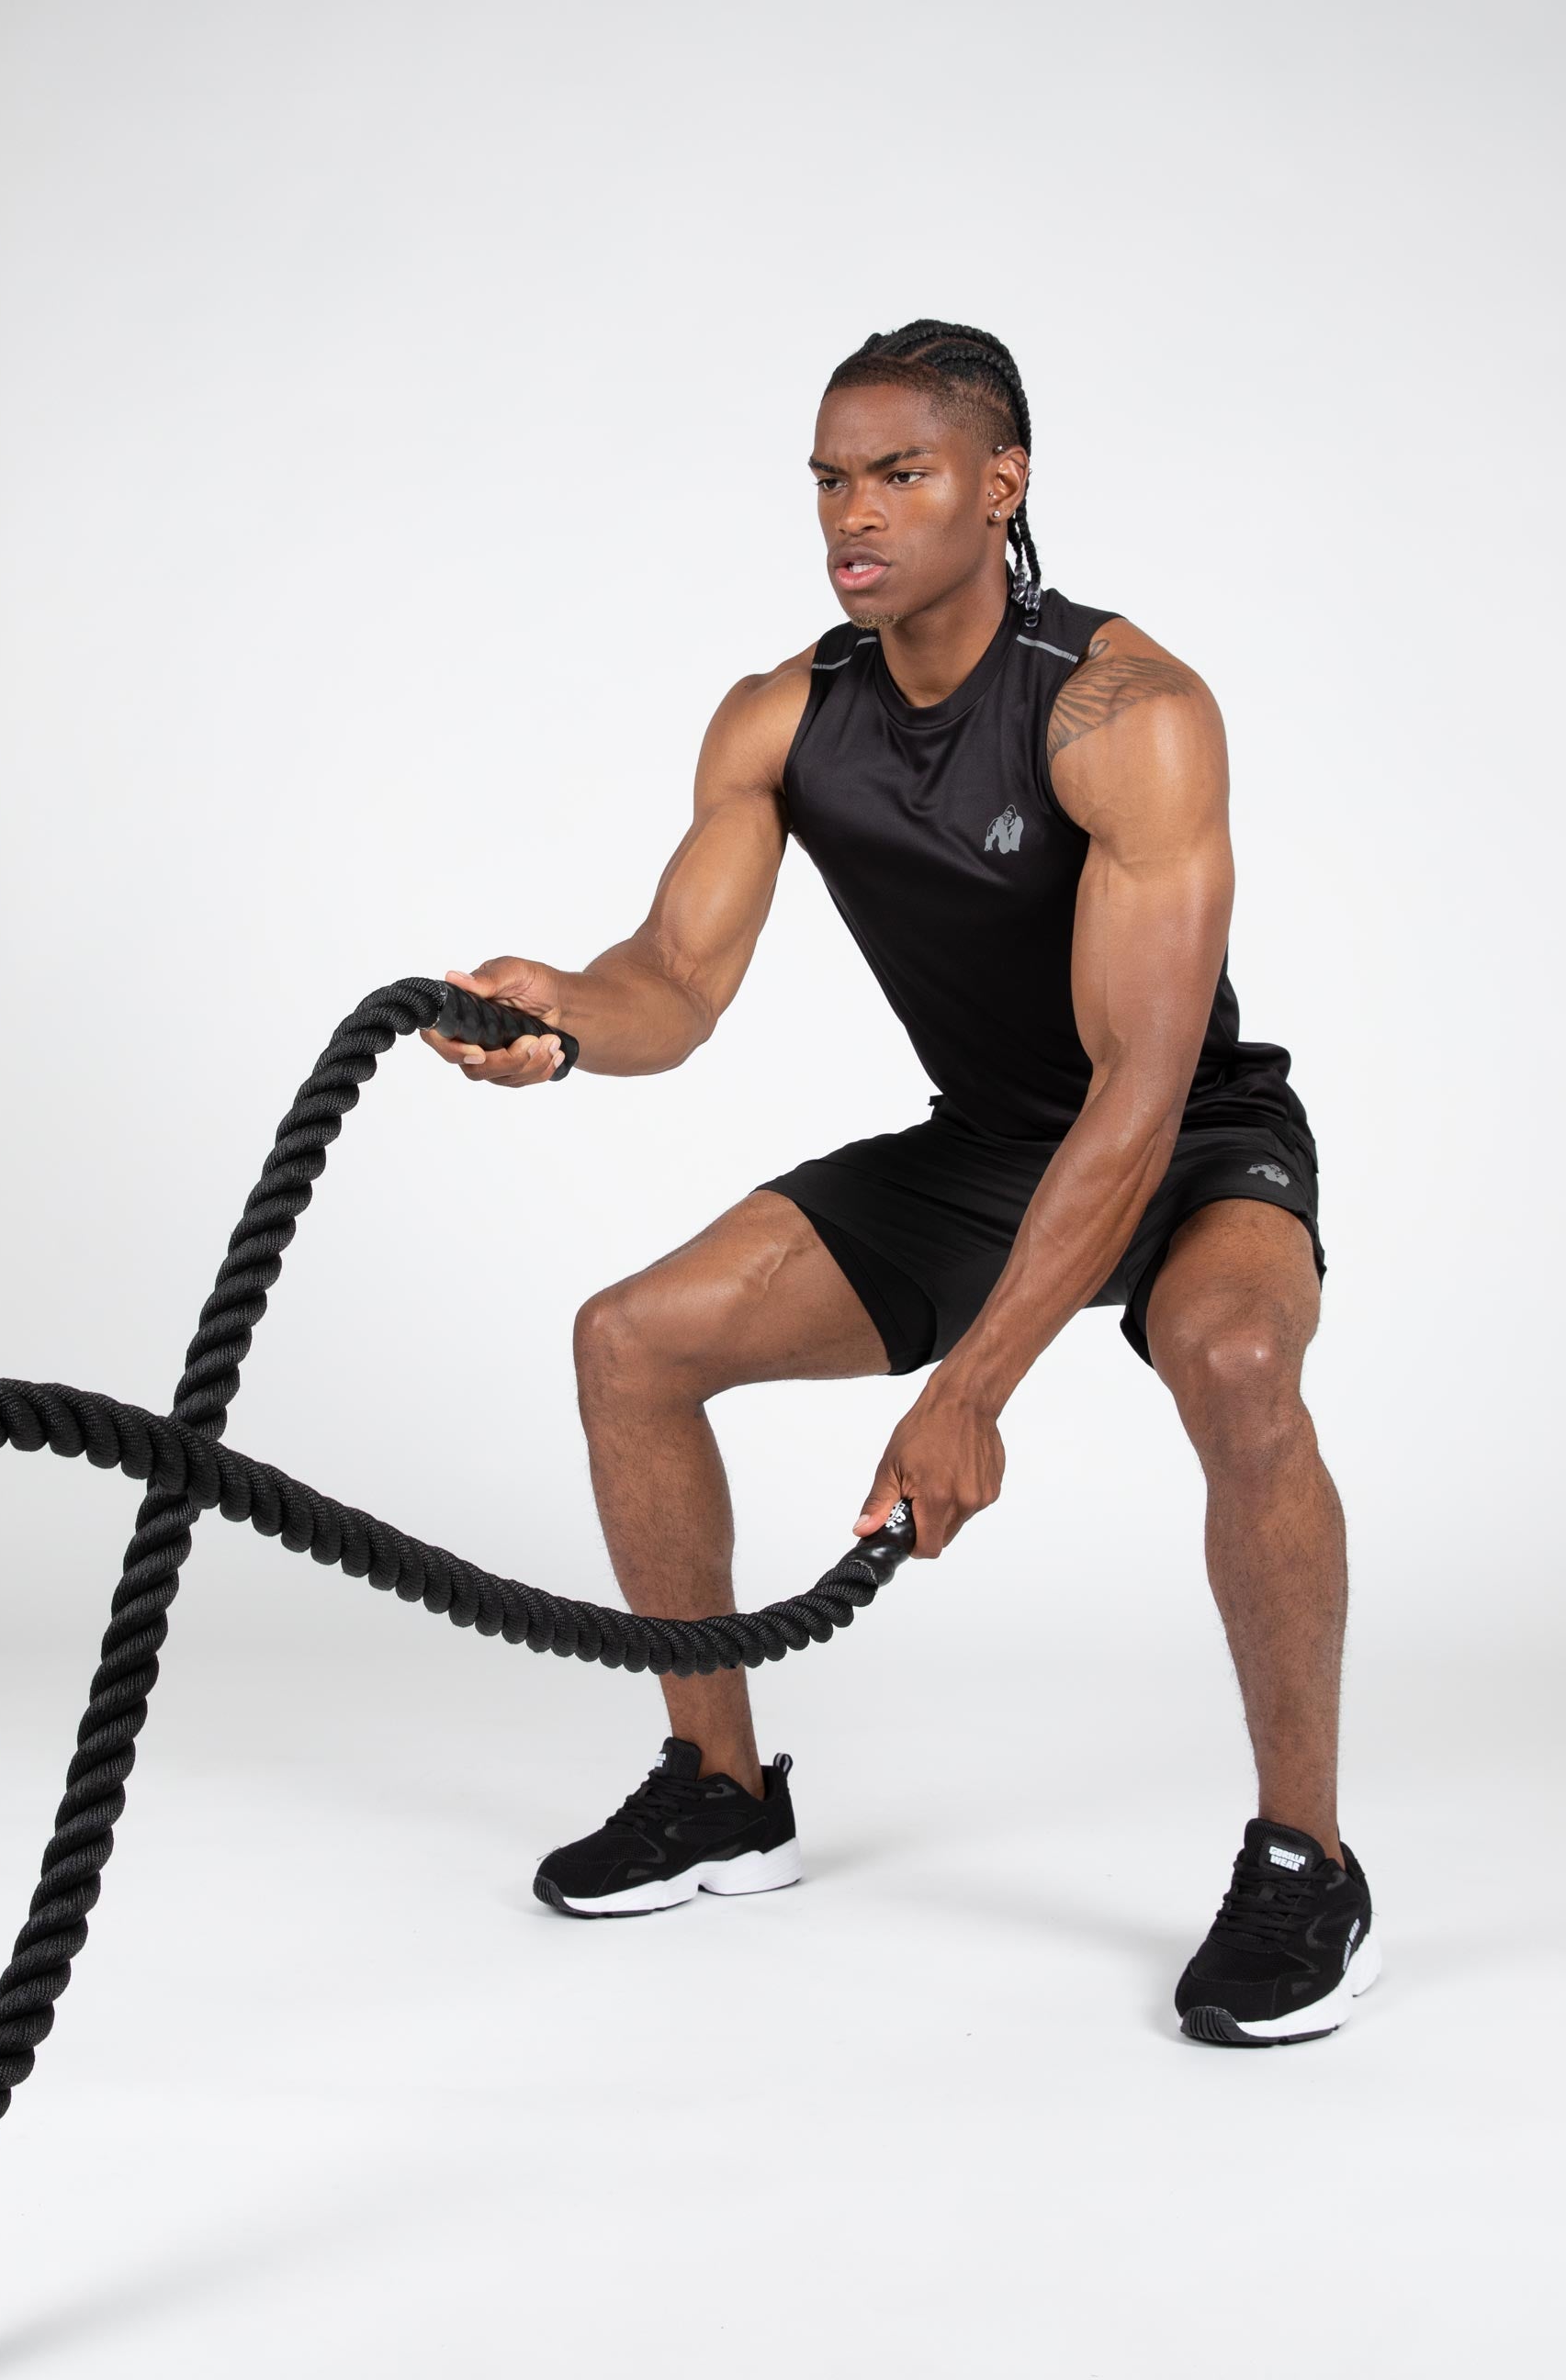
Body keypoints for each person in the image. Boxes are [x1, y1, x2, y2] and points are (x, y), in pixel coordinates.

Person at [421, 319, 1379, 2047]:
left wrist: (969, 1393)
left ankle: (1306, 1861)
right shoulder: (783, 717)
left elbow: (1139, 1090)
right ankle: (720, 1792)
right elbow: (675, 982)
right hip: (991, 1145)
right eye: (828, 480)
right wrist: (562, 1021)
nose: (851, 514)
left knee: (1239, 1363)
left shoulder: (1129, 713)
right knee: (631, 1342)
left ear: (1001, 486)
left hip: (1186, 1139)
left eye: (898, 474)